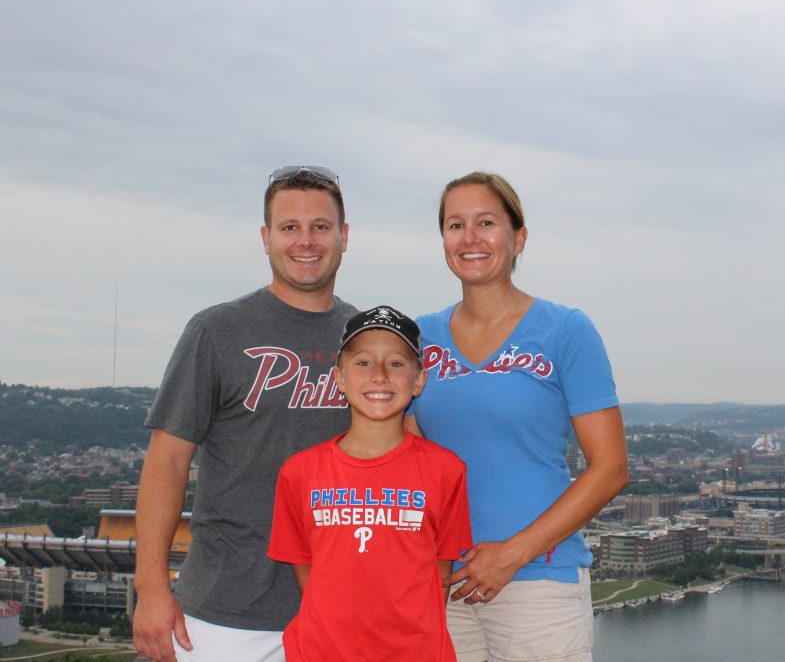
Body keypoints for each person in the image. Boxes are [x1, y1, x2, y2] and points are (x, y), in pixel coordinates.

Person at [133, 166, 357, 662]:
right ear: (265, 238)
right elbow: (167, 461)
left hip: (337, 611)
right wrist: (151, 589)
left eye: (321, 226)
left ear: (344, 236)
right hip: (223, 614)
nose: (306, 241)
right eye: (289, 227)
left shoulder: (364, 339)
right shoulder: (217, 330)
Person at [405, 172, 629, 662]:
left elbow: (611, 468)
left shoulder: (566, 330)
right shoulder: (419, 338)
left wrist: (510, 554)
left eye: (486, 222)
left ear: (518, 237)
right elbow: (405, 458)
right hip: (442, 584)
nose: (470, 238)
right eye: (455, 225)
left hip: (538, 585)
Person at [268, 306, 473, 662]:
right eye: (363, 363)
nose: (379, 375)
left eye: (395, 364)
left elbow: (438, 578)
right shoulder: (299, 472)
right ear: (339, 378)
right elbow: (308, 576)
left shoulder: (445, 470)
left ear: (419, 380)